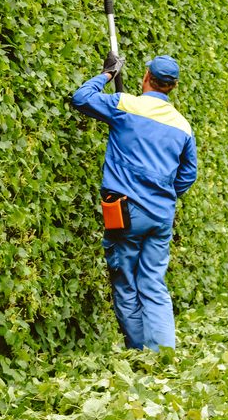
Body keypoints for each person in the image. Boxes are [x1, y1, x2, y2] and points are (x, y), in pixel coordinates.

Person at [71, 54, 198, 350]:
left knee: (125, 282)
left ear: (145, 77)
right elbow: (188, 175)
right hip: (161, 215)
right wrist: (163, 194)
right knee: (154, 283)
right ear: (173, 87)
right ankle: (164, 355)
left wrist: (107, 73)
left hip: (125, 212)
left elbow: (81, 98)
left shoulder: (125, 105)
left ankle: (141, 354)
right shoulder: (183, 126)